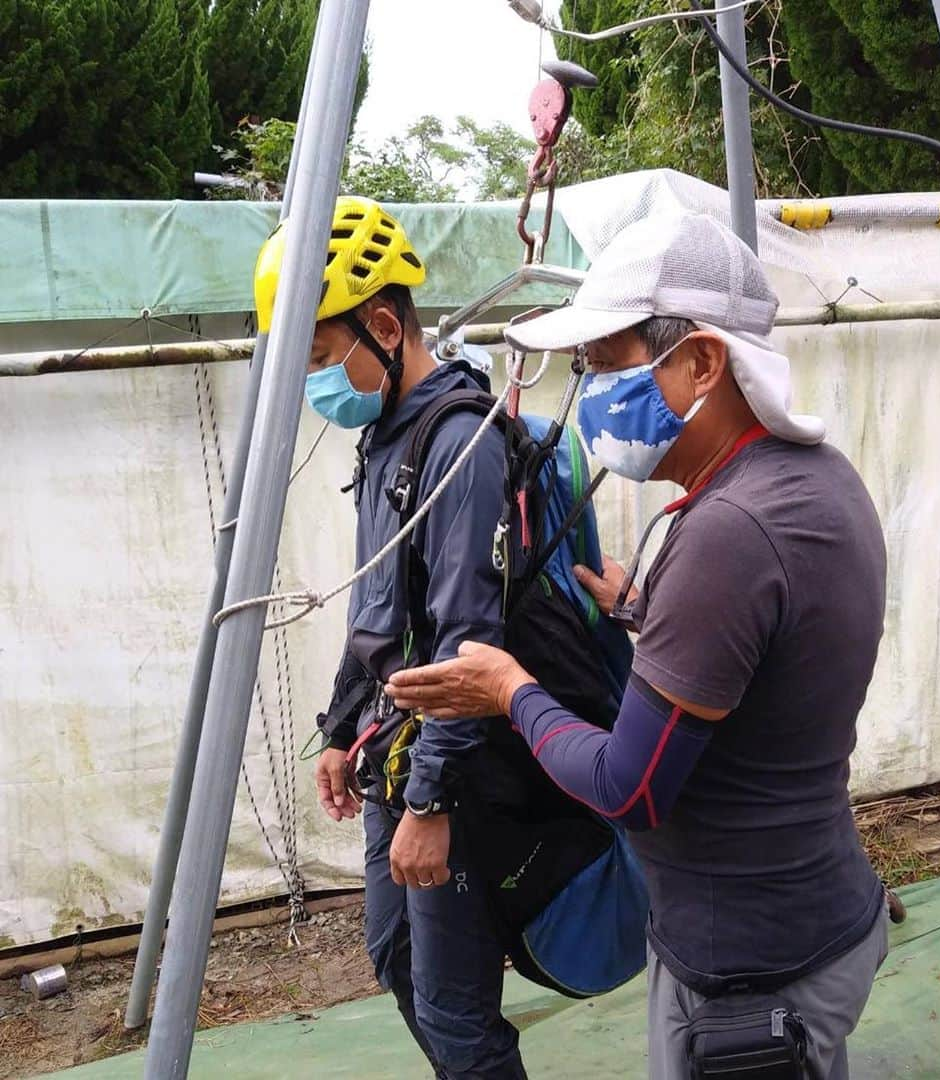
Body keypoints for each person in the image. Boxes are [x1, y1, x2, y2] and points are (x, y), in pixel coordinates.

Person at [387, 209, 890, 1080]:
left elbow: (632, 788)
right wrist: (645, 612)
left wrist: (511, 691)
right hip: (818, 913)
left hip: (749, 972)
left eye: (608, 364)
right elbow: (770, 657)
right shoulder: (814, 481)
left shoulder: (729, 533)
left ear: (702, 360)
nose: (589, 394)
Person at [253, 196, 528, 1079]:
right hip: (391, 750)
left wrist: (430, 804)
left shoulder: (459, 443)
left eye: (321, 357)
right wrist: (339, 731)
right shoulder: (386, 438)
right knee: (395, 957)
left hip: (446, 765)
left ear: (382, 323)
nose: (315, 383)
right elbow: (378, 607)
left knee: (453, 1007)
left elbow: (465, 642)